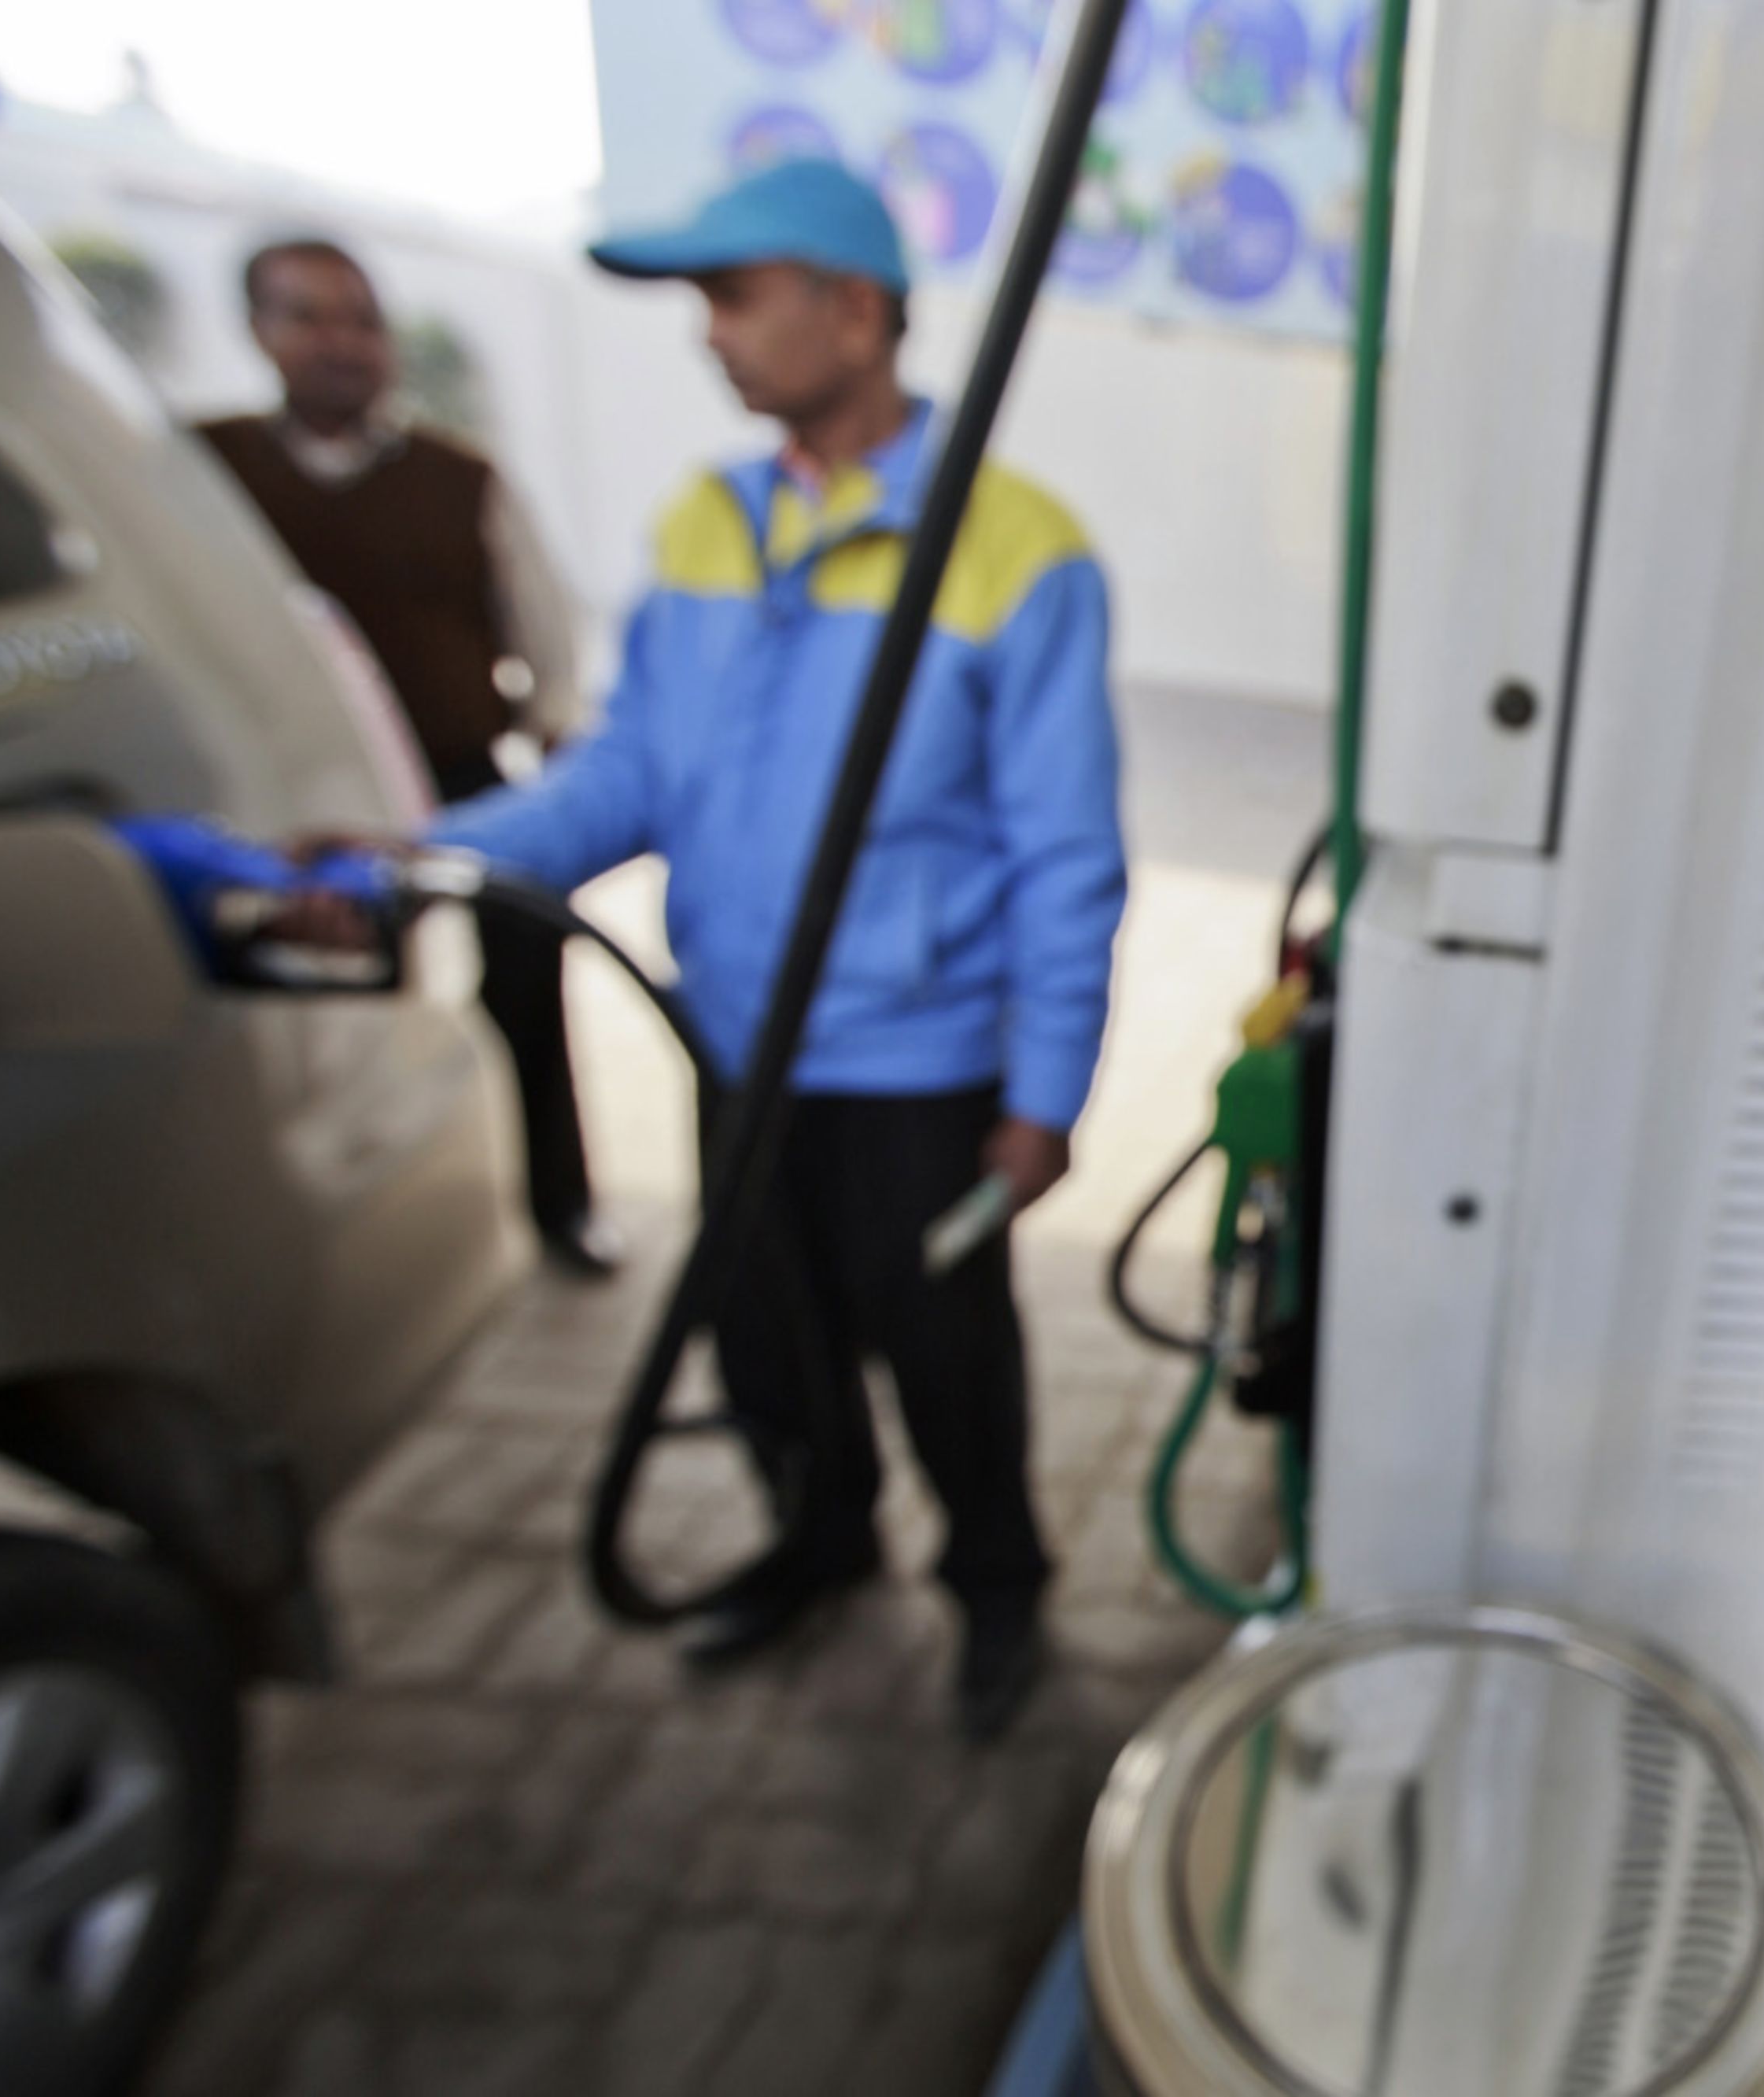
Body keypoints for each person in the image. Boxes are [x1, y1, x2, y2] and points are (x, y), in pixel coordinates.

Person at [419, 159, 1126, 1737]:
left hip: (918, 1066)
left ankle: (997, 1588)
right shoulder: (704, 526)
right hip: (730, 1040)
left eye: (734, 298)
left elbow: (1066, 858)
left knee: (948, 1358)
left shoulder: (1014, 550)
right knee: (764, 1342)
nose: (708, 336)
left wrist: (1047, 1097)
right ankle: (820, 1544)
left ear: (855, 310)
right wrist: (433, 856)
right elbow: (626, 776)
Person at [200, 239, 622, 1278]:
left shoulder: (457, 476)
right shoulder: (208, 472)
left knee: (527, 972)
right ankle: (346, 1237)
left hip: (456, 767)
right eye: (310, 316)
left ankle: (559, 1202)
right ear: (260, 331)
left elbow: (542, 628)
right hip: (302, 784)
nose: (341, 342)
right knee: (315, 994)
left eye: (361, 318)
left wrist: (560, 742)